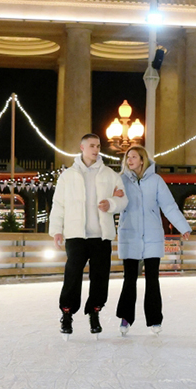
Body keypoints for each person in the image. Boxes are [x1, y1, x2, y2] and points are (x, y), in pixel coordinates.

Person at [50, 134, 128, 336]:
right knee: (72, 275)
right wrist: (57, 230)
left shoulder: (110, 175)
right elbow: (58, 205)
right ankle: (67, 313)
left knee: (100, 277)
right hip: (76, 235)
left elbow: (123, 200)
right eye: (92, 145)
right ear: (82, 147)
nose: (95, 149)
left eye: (98, 146)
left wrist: (111, 203)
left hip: (101, 236)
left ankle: (95, 312)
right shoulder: (67, 176)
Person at [115, 145, 191, 335]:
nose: (129, 160)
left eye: (133, 157)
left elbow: (169, 206)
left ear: (142, 160)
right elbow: (113, 205)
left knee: (152, 280)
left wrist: (183, 227)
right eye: (127, 157)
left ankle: (155, 320)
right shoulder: (121, 181)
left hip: (151, 236)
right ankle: (126, 318)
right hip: (130, 235)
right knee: (129, 279)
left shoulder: (156, 181)